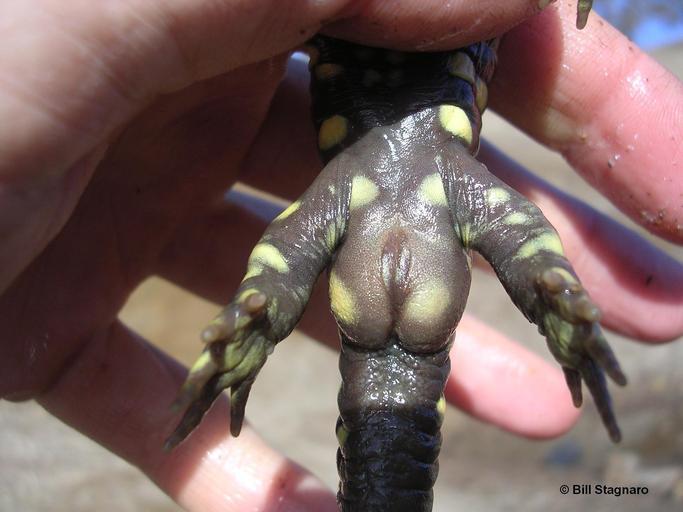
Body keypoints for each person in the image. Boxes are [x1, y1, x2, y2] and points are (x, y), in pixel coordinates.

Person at [0, 1, 681, 510]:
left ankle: (256, 322)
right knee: (518, 253)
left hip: (362, 176)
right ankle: (553, 303)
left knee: (286, 280)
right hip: (419, 171)